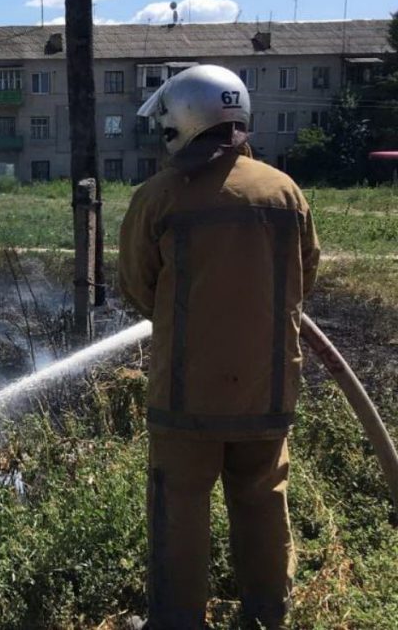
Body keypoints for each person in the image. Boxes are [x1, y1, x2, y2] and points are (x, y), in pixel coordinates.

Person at [118, 65, 320, 630]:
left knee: (179, 508)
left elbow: (138, 287)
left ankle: (177, 621)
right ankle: (265, 615)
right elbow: (305, 278)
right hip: (267, 390)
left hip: (186, 398)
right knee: (261, 501)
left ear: (183, 120)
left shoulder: (158, 198)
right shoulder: (286, 193)